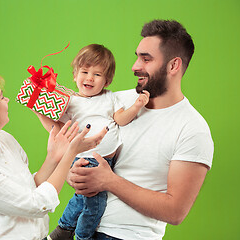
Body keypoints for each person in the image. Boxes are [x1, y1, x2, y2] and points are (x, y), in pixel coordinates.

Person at [68, 20, 214, 240]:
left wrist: (108, 181)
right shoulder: (117, 100)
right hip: (79, 228)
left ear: (173, 66)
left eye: (146, 59)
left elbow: (175, 212)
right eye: (137, 57)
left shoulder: (193, 129)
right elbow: (81, 145)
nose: (135, 66)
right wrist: (76, 174)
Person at [0, 70, 108, 240]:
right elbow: (37, 204)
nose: (7, 100)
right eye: (1, 97)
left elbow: (29, 190)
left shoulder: (5, 140)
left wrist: (53, 157)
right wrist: (70, 154)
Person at [34, 44, 149, 240]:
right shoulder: (70, 102)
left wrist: (137, 106)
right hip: (86, 158)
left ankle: (63, 230)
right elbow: (57, 129)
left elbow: (120, 119)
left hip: (106, 161)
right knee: (96, 204)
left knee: (82, 199)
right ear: (74, 75)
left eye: (97, 74)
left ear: (106, 80)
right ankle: (82, 236)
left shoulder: (109, 98)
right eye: (84, 72)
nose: (89, 78)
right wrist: (39, 109)